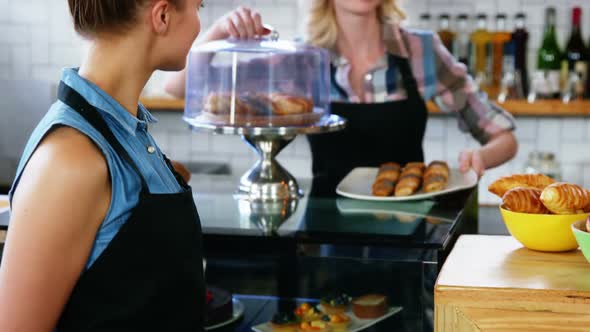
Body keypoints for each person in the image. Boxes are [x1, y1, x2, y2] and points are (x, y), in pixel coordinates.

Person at [166, 1, 518, 197]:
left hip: (411, 233)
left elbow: (503, 137)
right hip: (328, 236)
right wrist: (219, 32)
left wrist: (480, 156)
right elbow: (179, 89)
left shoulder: (421, 50)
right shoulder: (301, 59)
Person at [0, 0, 206, 330]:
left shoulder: (123, 132)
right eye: (200, 6)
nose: (199, 24)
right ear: (163, 15)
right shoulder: (70, 161)